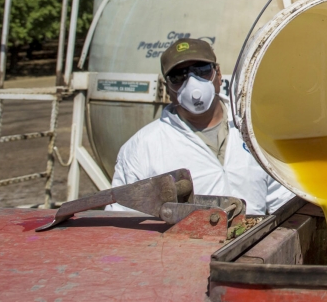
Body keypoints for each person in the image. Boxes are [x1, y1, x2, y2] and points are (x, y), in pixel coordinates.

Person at [108, 38, 293, 215]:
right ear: (167, 87)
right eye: (178, 76)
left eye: (202, 70)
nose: (192, 82)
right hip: (184, 247)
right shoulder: (142, 148)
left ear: (218, 74)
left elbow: (285, 201)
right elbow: (122, 220)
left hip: (257, 244)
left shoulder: (255, 130)